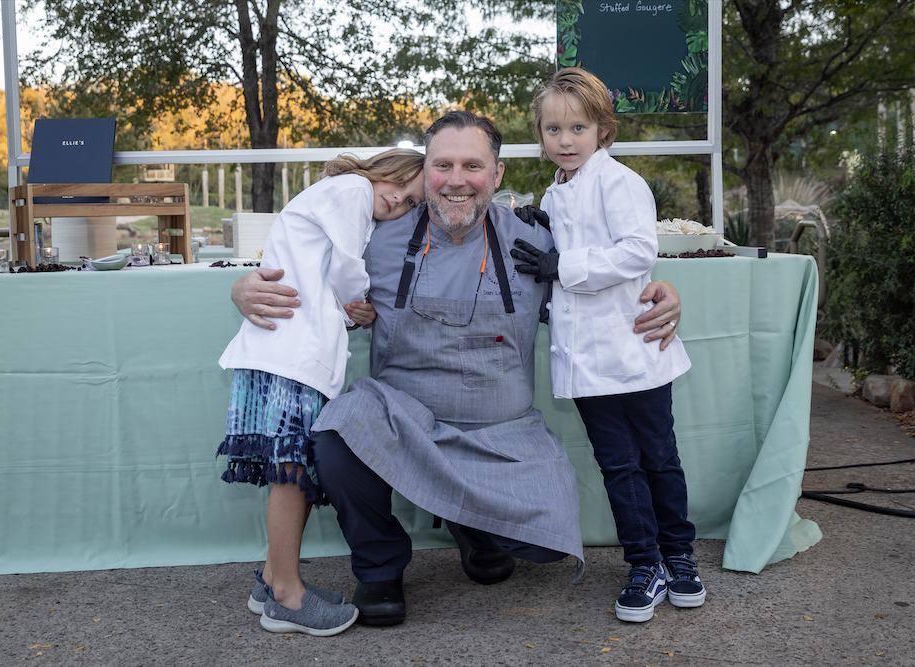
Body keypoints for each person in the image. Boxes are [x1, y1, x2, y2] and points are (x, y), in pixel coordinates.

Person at [230, 111, 686, 627]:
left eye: (472, 165)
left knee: (544, 543)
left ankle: (471, 525)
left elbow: (608, 278)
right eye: (441, 165)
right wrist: (242, 288)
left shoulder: (537, 242)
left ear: (496, 176)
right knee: (336, 432)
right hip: (402, 421)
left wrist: (666, 294)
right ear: (425, 173)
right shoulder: (376, 237)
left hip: (502, 435)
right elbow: (301, 256)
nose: (455, 180)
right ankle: (379, 566)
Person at [510, 67, 704, 624]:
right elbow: (570, 252)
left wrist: (560, 263)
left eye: (577, 127)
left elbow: (636, 252)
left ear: (602, 130)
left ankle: (679, 556)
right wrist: (540, 228)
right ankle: (645, 564)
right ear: (540, 136)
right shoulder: (556, 190)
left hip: (635, 351)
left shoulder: (620, 181)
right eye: (552, 129)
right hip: (587, 361)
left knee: (659, 460)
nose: (565, 140)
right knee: (618, 467)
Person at [216, 148, 425, 636]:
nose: (400, 201)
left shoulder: (344, 202)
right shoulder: (351, 190)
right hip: (293, 354)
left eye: (414, 202)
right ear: (379, 170)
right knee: (290, 473)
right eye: (399, 184)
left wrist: (350, 313)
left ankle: (271, 580)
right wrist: (364, 299)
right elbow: (347, 270)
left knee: (298, 468)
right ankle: (288, 597)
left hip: (293, 349)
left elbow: (324, 288)